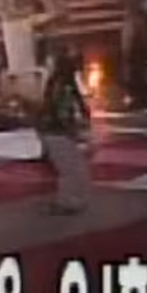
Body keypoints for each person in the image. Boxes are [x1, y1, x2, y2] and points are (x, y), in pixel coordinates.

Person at [36, 46, 94, 215]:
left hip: (53, 132)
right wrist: (75, 131)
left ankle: (70, 200)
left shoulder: (59, 83)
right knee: (71, 169)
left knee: (72, 168)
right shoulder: (63, 86)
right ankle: (67, 202)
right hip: (57, 132)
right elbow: (62, 113)